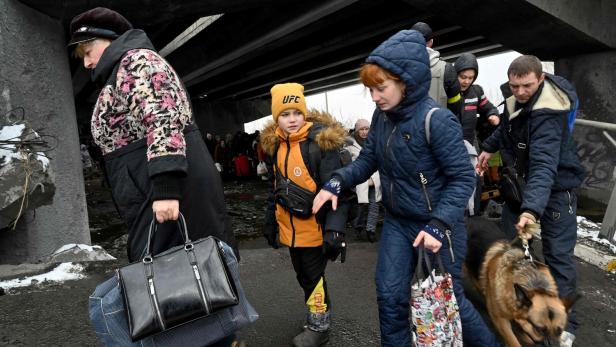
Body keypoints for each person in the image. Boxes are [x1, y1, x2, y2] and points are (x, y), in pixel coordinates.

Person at [312, 29, 499, 346]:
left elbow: (463, 178)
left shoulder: (437, 121)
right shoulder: (381, 116)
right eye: (370, 90)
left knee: (448, 301)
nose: (375, 97)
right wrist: (337, 180)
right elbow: (367, 159)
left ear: (406, 82)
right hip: (398, 222)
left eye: (381, 88)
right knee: (389, 295)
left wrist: (439, 225)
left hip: (438, 225)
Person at [69, 9, 242, 345]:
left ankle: (216, 338)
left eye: (87, 53)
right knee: (185, 276)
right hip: (151, 189)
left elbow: (162, 118)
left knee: (180, 275)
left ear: (108, 39)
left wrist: (165, 188)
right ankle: (218, 337)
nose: (87, 64)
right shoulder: (124, 68)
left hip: (163, 191)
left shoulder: (136, 61)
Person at [477, 55, 586, 347]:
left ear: (540, 79)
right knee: (510, 251)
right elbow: (507, 129)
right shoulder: (517, 102)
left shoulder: (549, 112)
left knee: (558, 258)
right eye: (514, 86)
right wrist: (488, 149)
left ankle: (564, 326)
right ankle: (519, 310)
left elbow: (544, 165)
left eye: (526, 85)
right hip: (523, 190)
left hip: (553, 195)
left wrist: (531, 210)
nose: (520, 92)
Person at [260, 83, 349, 347]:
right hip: (290, 230)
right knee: (303, 275)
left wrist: (335, 230)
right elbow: (276, 187)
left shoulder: (319, 145)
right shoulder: (278, 146)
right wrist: (270, 220)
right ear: (277, 117)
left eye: (297, 113)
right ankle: (316, 315)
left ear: (304, 113)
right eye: (285, 114)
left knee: (313, 277)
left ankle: (320, 327)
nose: (292, 119)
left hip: (314, 230)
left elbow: (339, 191)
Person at [411, 22, 462, 115]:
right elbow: (456, 108)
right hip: (438, 128)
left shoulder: (397, 67)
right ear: (431, 42)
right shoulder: (447, 69)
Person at [345, 119, 381, 242]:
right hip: (360, 180)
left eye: (367, 129)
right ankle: (359, 228)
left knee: (374, 206)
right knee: (361, 206)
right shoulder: (350, 146)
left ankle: (371, 230)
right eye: (362, 129)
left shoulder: (375, 142)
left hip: (375, 179)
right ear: (357, 131)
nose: (365, 132)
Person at [453, 52, 500, 145]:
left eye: (470, 78)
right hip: (450, 143)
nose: (466, 81)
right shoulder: (446, 92)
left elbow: (489, 108)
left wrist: (493, 115)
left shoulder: (477, 91)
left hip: (471, 142)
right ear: (455, 74)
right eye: (463, 77)